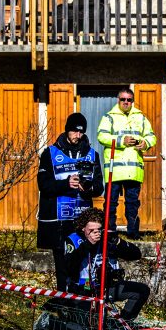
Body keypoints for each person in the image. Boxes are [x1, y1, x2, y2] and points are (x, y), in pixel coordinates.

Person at [34, 208, 149, 330]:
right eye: (91, 230)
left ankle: (120, 326)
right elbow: (69, 267)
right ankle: (50, 323)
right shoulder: (73, 240)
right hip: (83, 290)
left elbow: (136, 254)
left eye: (98, 230)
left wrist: (117, 241)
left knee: (141, 290)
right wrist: (88, 244)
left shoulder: (106, 240)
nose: (96, 233)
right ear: (83, 228)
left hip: (106, 287)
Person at [36, 112, 104, 288]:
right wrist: (66, 183)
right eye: (74, 131)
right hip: (59, 221)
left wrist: (88, 188)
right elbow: (44, 184)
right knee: (62, 265)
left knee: (83, 263)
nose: (78, 135)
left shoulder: (92, 154)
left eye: (81, 132)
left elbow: (99, 187)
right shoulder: (50, 153)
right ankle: (63, 297)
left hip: (82, 219)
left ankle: (81, 297)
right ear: (67, 130)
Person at [96, 88, 156, 237]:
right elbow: (101, 136)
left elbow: (151, 136)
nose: (126, 102)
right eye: (123, 99)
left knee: (132, 203)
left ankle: (133, 233)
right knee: (110, 203)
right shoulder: (109, 117)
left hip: (133, 170)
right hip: (115, 169)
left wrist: (145, 143)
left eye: (129, 100)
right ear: (118, 100)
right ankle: (109, 232)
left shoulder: (141, 117)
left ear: (132, 101)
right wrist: (122, 141)